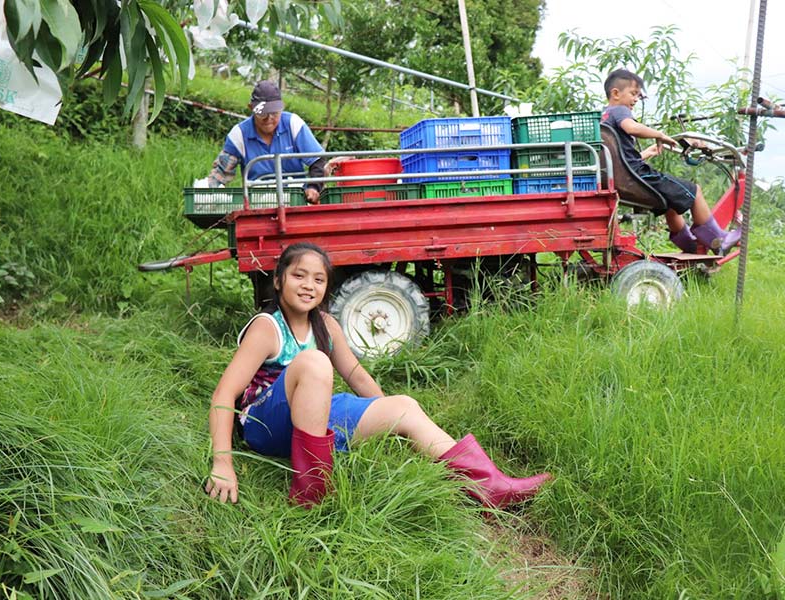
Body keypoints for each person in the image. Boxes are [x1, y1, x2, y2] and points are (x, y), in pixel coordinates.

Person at [205, 242, 552, 508]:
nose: (308, 285)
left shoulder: (325, 324)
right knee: (314, 363)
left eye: (319, 279)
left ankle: (490, 488)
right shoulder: (267, 327)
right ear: (279, 281)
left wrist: (386, 420)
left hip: (311, 416)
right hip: (267, 425)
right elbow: (224, 395)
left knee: (403, 406)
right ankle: (310, 492)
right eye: (298, 275)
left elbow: (358, 378)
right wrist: (223, 463)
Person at [601, 69, 741, 254]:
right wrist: (660, 134)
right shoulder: (619, 111)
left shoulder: (603, 116)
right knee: (694, 191)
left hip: (626, 176)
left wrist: (646, 152)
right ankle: (719, 240)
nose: (636, 99)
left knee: (671, 203)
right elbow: (631, 127)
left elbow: (621, 160)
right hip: (639, 176)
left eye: (638, 95)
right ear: (616, 93)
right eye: (633, 94)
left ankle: (690, 245)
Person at [207, 80, 326, 204]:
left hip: (295, 198)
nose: (269, 119)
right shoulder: (239, 134)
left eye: (274, 113)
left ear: (282, 108)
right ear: (251, 108)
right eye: (263, 114)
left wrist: (313, 188)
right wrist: (208, 195)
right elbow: (221, 173)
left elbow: (318, 160)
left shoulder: (293, 124)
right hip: (258, 202)